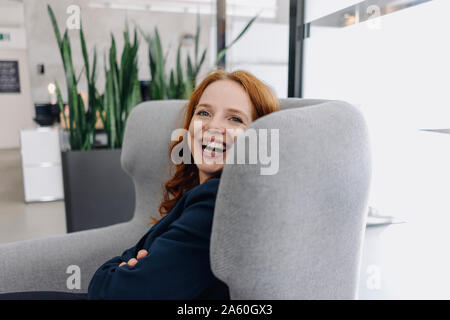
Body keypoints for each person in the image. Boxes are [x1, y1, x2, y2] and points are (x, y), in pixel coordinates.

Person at [0, 68, 279, 300]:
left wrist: (113, 271)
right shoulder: (205, 193)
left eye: (235, 118)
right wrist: (130, 266)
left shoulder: (217, 202)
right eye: (204, 113)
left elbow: (121, 294)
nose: (213, 126)